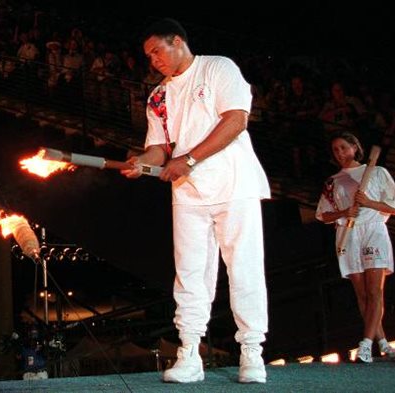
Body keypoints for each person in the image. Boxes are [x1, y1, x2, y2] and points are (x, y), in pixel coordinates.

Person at [121, 18, 271, 384]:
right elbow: (158, 148)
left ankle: (252, 351)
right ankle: (189, 352)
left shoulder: (218, 67)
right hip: (188, 192)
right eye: (148, 55)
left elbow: (236, 120)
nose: (153, 59)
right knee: (190, 274)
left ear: (178, 41)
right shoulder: (158, 96)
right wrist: (142, 163)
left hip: (235, 184)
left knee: (244, 268)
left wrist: (187, 160)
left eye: (157, 50)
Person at [315, 131, 395, 363]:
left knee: (375, 291)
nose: (340, 153)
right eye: (336, 150)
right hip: (348, 234)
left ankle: (365, 344)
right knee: (362, 294)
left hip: (373, 230)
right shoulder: (332, 181)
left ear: (355, 147)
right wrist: (344, 212)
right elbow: (323, 215)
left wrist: (369, 203)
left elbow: (394, 208)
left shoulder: (376, 172)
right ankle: (384, 344)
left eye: (344, 148)